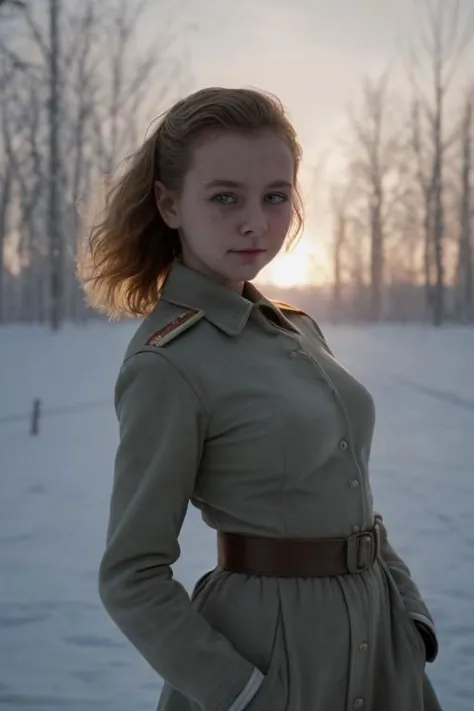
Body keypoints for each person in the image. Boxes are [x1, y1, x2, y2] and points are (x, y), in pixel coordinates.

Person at [78, 87, 443, 711]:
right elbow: (131, 577)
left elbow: (347, 488)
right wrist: (243, 693)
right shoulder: (168, 361)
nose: (257, 221)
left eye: (276, 196)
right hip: (270, 657)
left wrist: (407, 615)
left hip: (377, 642)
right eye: (226, 197)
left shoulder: (297, 327)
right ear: (169, 204)